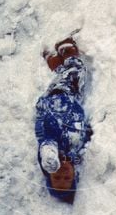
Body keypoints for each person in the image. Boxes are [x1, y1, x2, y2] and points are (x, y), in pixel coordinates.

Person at [35, 37, 92, 203]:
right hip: (72, 101)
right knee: (70, 78)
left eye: (57, 178)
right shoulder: (74, 155)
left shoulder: (53, 151)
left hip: (57, 101)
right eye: (67, 179)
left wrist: (49, 156)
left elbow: (47, 142)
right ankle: (54, 62)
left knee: (77, 71)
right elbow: (84, 139)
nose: (62, 175)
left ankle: (65, 48)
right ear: (75, 175)